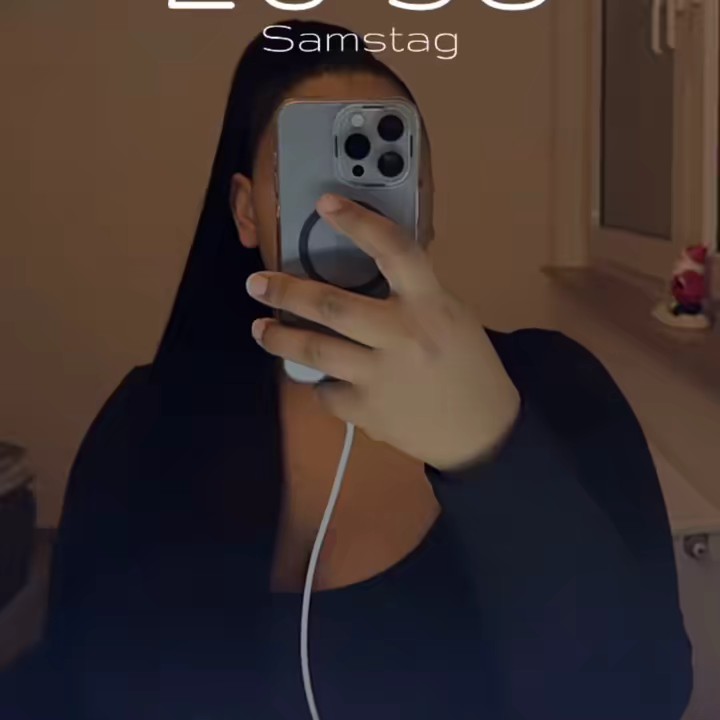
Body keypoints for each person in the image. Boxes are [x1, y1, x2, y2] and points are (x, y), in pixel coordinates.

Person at [0, 20, 693, 720]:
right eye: (310, 168)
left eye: (383, 163)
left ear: (426, 200)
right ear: (245, 211)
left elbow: (645, 697)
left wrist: (493, 453)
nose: (346, 206)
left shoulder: (559, 389)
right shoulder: (148, 423)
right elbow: (71, 681)